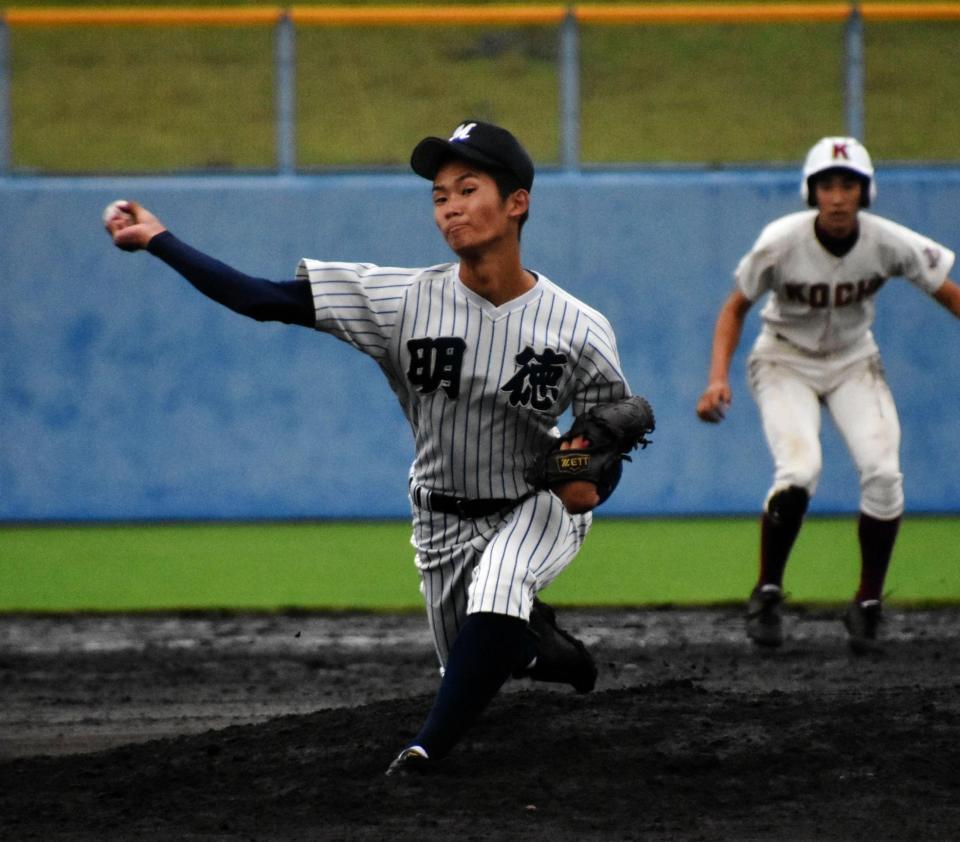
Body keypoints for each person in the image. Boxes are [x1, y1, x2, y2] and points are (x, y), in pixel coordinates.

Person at [105, 120, 640, 773]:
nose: (449, 207)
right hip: (440, 517)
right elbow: (266, 299)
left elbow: (610, 430)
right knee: (476, 653)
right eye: (440, 195)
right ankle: (544, 649)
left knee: (499, 590)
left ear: (517, 202)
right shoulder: (402, 300)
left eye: (468, 189)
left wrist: (590, 485)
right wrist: (161, 240)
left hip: (534, 501)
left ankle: (424, 752)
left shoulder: (578, 327)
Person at [696, 136, 960, 653]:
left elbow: (949, 293)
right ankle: (767, 591)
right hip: (783, 358)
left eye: (848, 185)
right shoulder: (780, 240)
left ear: (865, 193)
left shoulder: (888, 242)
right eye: (828, 185)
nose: (838, 196)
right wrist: (717, 378)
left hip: (853, 360)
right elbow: (735, 307)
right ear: (812, 192)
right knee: (798, 473)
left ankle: (867, 603)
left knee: (884, 474)